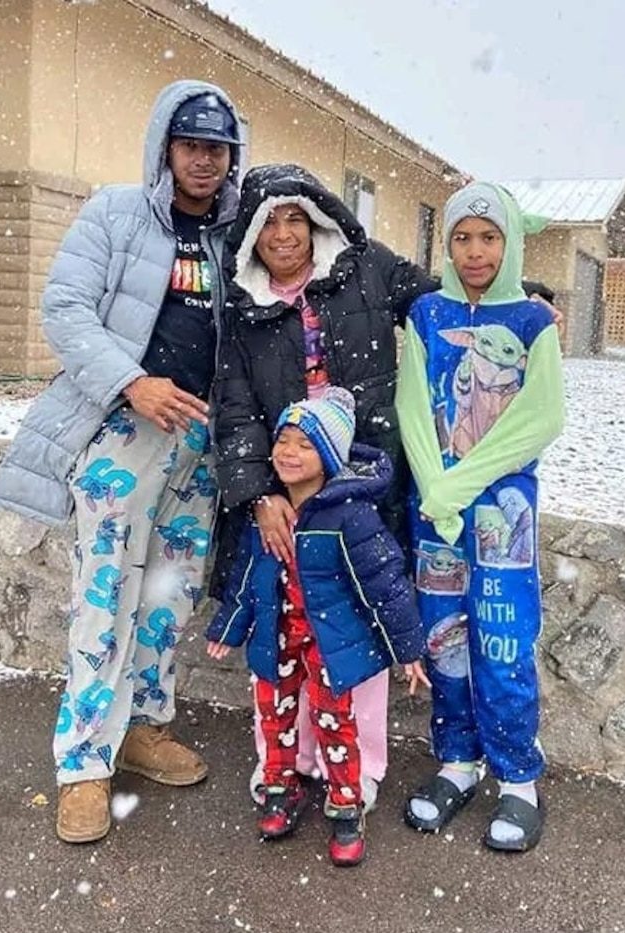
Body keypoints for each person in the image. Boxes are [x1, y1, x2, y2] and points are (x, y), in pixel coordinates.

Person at [0, 80, 244, 843]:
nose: (204, 161)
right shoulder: (115, 214)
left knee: (168, 596)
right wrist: (134, 382)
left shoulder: (236, 234)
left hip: (200, 445)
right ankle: (84, 764)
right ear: (166, 146)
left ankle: (141, 730)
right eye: (191, 144)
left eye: (218, 148)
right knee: (105, 598)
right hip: (121, 434)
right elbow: (65, 310)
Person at [210, 162, 439, 812]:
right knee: (288, 628)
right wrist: (260, 494)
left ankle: (356, 769)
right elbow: (235, 409)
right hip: (286, 490)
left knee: (355, 621)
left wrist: (521, 299)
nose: (284, 234)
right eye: (269, 222)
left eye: (296, 218)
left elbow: (440, 300)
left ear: (317, 221)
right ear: (251, 235)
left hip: (359, 485)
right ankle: (290, 761)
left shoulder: (366, 269)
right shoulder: (245, 307)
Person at [396, 181, 565, 852]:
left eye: (489, 237)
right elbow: (413, 407)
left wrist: (457, 487)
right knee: (445, 637)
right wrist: (434, 489)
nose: (475, 251)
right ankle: (457, 763)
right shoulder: (427, 315)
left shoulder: (531, 323)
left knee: (502, 639)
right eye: (462, 238)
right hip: (434, 512)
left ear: (511, 243)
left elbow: (539, 418)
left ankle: (519, 777)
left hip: (500, 514)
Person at [206, 388, 428, 866]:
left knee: (334, 721)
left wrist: (408, 648)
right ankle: (280, 786)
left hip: (329, 643)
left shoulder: (350, 515)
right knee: (274, 714)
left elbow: (385, 582)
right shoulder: (269, 515)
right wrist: (228, 627)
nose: (289, 452)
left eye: (305, 445)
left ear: (328, 455)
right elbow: (248, 576)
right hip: (277, 636)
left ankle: (346, 803)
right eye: (283, 441)